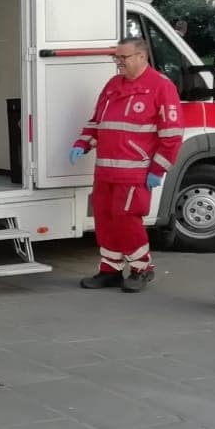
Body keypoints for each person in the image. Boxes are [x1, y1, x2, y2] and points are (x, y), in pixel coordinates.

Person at [70, 38, 184, 292]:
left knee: (126, 222)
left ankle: (142, 269)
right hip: (105, 172)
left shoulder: (161, 87)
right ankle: (110, 269)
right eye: (116, 57)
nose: (118, 62)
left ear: (142, 57)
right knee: (105, 220)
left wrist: (157, 169)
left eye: (123, 58)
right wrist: (83, 143)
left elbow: (172, 135)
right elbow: (97, 121)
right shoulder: (113, 85)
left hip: (135, 173)